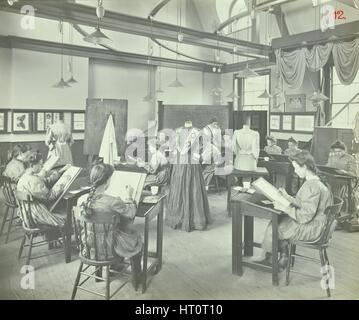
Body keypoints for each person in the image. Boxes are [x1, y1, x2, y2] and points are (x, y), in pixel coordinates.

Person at [256, 150, 333, 270]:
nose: (295, 172)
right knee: (280, 220)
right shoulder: (314, 181)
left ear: (305, 167)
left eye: (296, 168)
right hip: (316, 223)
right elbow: (304, 203)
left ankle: (272, 259)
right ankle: (283, 256)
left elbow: (304, 217)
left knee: (275, 227)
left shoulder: (313, 186)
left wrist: (284, 207)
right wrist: (286, 196)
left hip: (313, 229)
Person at [76, 161, 142, 290]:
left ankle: (114, 267)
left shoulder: (82, 199)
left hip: (88, 246)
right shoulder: (113, 201)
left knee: (108, 233)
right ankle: (137, 279)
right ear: (107, 181)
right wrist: (129, 197)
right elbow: (131, 213)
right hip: (107, 249)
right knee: (137, 240)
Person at [166, 120, 211, 232]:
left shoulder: (195, 132)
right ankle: (180, 217)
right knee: (183, 189)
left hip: (190, 164)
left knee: (192, 189)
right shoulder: (180, 132)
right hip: (183, 164)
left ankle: (192, 218)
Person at [16, 151, 70, 229]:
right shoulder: (33, 180)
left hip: (26, 212)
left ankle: (51, 237)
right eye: (40, 164)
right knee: (65, 219)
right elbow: (49, 196)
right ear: (32, 165)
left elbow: (45, 181)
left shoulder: (24, 177)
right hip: (36, 214)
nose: (42, 167)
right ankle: (56, 237)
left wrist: (60, 172)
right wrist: (62, 184)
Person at [326, 140, 358, 213]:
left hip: (346, 181)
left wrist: (344, 172)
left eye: (339, 151)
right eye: (335, 151)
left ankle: (342, 212)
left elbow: (354, 174)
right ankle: (330, 210)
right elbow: (328, 167)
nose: (337, 154)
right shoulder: (332, 156)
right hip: (333, 180)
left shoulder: (350, 158)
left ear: (344, 151)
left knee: (339, 191)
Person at [201, 119, 222, 189]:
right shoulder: (206, 130)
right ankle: (203, 185)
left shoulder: (212, 146)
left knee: (209, 167)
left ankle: (204, 185)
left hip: (210, 162)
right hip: (206, 161)